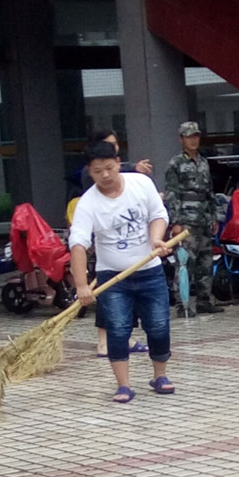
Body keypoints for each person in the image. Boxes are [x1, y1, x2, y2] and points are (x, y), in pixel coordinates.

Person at [70, 140, 174, 404]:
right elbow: (79, 245)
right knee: (117, 329)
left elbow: (158, 215)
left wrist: (156, 240)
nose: (104, 175)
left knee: (159, 326)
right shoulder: (88, 203)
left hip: (149, 271)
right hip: (112, 278)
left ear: (118, 163)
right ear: (89, 172)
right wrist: (82, 285)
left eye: (108, 168)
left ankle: (159, 375)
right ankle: (124, 385)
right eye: (97, 171)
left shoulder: (141, 184)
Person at [81, 129, 153, 356]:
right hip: (105, 243)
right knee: (108, 291)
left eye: (115, 144)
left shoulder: (129, 179)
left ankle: (126, 338)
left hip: (130, 247)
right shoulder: (91, 177)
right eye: (108, 144)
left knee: (126, 295)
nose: (113, 147)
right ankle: (104, 340)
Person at [164, 121, 224, 318]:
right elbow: (172, 194)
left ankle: (205, 300)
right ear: (181, 139)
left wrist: (214, 217)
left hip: (204, 219)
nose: (193, 140)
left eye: (196, 136)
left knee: (206, 263)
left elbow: (209, 192)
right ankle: (184, 304)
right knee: (185, 263)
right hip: (186, 222)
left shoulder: (204, 162)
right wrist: (176, 222)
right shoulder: (176, 164)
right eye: (189, 137)